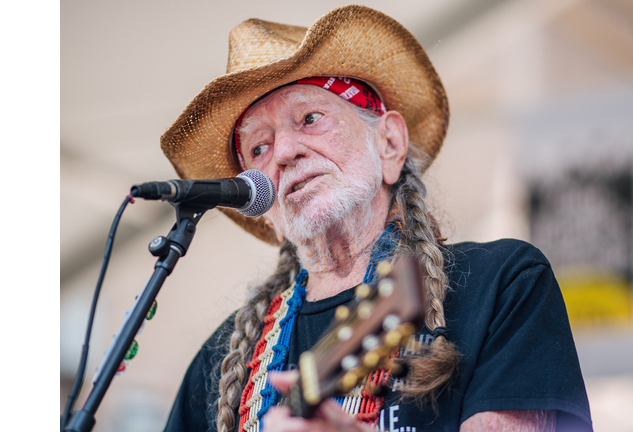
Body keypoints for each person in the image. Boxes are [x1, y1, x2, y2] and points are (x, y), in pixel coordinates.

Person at [161, 5, 591, 432]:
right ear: (266, 212)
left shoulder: (500, 282)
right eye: (259, 149)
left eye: (310, 118)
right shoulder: (220, 362)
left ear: (389, 144)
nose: (286, 152)